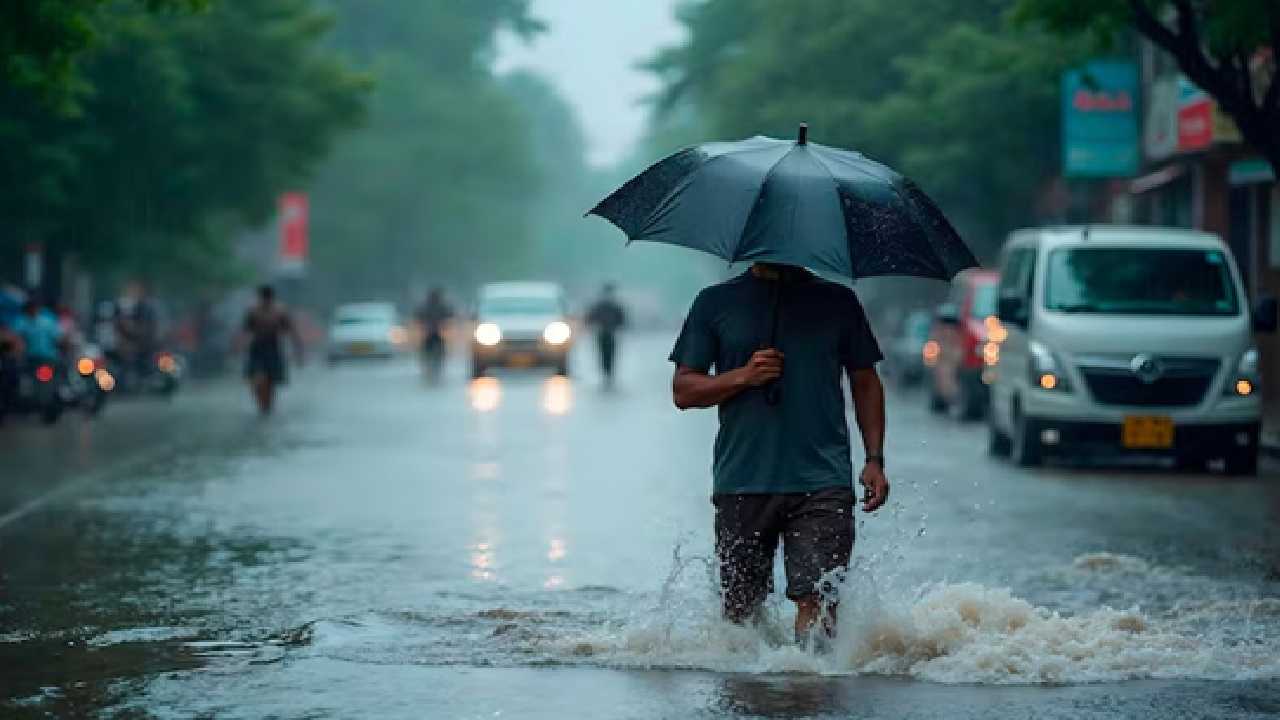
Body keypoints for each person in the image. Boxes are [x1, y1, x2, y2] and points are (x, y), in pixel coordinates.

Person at [669, 263, 889, 644]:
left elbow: (866, 382)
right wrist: (744, 376)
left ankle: (811, 691)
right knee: (741, 610)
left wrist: (874, 459)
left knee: (817, 599)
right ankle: (756, 696)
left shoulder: (838, 302)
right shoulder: (714, 302)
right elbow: (684, 391)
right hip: (743, 478)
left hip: (823, 479)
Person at [241, 285, 302, 415]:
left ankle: (266, 410)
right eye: (263, 298)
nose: (265, 301)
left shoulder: (281, 312)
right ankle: (262, 404)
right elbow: (246, 330)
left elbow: (292, 332)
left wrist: (298, 353)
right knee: (258, 381)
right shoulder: (253, 312)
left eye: (267, 298)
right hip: (257, 349)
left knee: (270, 385)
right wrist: (238, 346)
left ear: (271, 298)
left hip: (273, 349)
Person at [585, 283, 627, 385]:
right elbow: (591, 318)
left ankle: (608, 372)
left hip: (611, 334)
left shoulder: (614, 306)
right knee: (603, 353)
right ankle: (605, 371)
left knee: (610, 354)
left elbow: (622, 319)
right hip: (602, 333)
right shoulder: (600, 306)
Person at [415, 288, 455, 379]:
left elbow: (418, 316)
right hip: (432, 333)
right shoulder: (436, 306)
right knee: (428, 350)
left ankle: (430, 367)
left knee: (433, 349)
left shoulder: (428, 306)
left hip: (434, 333)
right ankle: (429, 366)